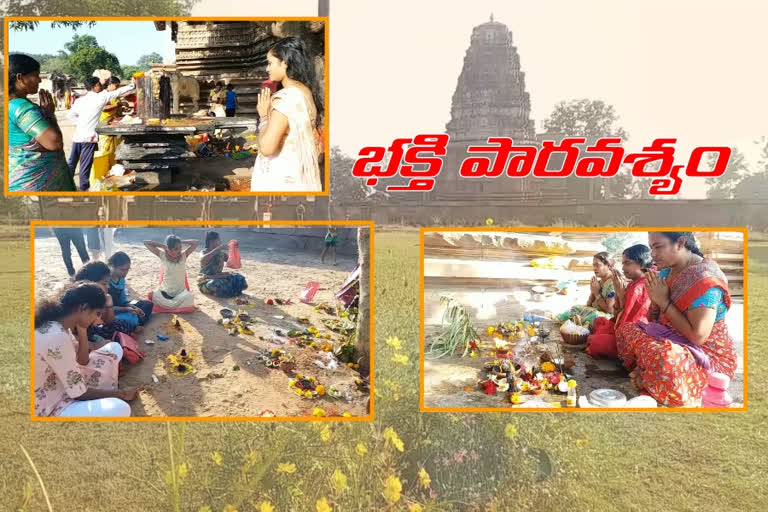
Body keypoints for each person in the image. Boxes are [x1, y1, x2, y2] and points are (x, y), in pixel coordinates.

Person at [616, 232, 737, 407]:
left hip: (704, 355)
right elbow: (653, 321)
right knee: (627, 329)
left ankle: (650, 373)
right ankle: (650, 374)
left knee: (664, 357)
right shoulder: (666, 271)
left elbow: (697, 337)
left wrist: (664, 302)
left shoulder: (705, 279)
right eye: (651, 248)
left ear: (680, 243)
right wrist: (655, 302)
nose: (653, 255)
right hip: (671, 339)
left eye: (658, 247)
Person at [34, 282, 138, 417]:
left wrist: (82, 329)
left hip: (61, 382)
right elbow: (79, 393)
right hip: (48, 402)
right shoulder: (56, 337)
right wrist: (121, 394)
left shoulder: (59, 325)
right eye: (97, 313)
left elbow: (82, 362)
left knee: (114, 348)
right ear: (83, 308)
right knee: (121, 408)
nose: (98, 320)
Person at [251, 37, 323, 192]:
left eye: (270, 63)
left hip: (283, 181)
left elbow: (267, 148)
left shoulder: (286, 99)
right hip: (300, 177)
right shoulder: (306, 92)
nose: (267, 69)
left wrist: (263, 118)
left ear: (284, 63)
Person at [7, 53, 76, 192]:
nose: (39, 80)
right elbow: (54, 142)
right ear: (20, 78)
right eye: (35, 75)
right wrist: (50, 114)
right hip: (36, 185)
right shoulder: (20, 107)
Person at [68, 75, 135, 191]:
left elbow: (70, 115)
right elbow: (119, 91)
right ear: (94, 87)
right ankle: (84, 191)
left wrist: (82, 123)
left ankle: (67, 187)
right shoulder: (101, 97)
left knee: (71, 164)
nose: (101, 86)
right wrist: (132, 84)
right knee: (85, 167)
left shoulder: (79, 100)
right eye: (99, 84)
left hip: (77, 137)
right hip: (89, 138)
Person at [586, 244, 653, 359]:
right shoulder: (632, 283)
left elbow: (626, 323)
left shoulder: (639, 287)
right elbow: (617, 315)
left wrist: (619, 295)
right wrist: (618, 293)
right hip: (619, 326)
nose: (623, 268)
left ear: (641, 263)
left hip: (630, 335)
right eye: (622, 264)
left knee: (595, 341)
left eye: (627, 263)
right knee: (599, 322)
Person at [74, 261, 135, 340]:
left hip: (91, 330)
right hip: (77, 339)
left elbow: (109, 321)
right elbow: (70, 335)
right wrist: (92, 345)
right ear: (90, 283)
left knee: (120, 325)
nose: (108, 287)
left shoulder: (98, 297)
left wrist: (109, 306)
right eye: (104, 284)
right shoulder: (78, 303)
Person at [557, 252, 616, 326]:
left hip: (606, 316)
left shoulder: (612, 283)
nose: (594, 268)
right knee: (575, 308)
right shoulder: (599, 282)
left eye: (597, 265)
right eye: (594, 265)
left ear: (608, 266)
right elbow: (589, 304)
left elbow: (610, 310)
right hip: (593, 311)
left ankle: (580, 323)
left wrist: (597, 293)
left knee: (594, 316)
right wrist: (592, 293)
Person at [145, 235, 198, 311]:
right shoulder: (163, 255)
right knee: (152, 294)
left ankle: (168, 307)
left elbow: (195, 243)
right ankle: (174, 307)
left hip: (181, 294)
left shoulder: (183, 256)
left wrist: (180, 242)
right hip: (165, 293)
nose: (179, 251)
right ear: (169, 249)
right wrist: (163, 246)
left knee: (190, 296)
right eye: (176, 249)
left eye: (180, 248)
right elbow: (146, 243)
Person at [107, 251, 154, 332]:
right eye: (122, 270)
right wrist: (127, 309)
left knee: (148, 304)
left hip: (122, 308)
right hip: (110, 312)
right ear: (113, 266)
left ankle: (132, 325)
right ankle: (133, 325)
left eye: (128, 269)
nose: (126, 273)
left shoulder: (121, 280)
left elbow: (123, 301)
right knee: (126, 318)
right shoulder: (105, 282)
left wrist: (134, 307)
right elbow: (106, 309)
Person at [198, 232, 248, 297]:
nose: (220, 242)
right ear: (212, 241)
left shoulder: (221, 253)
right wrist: (218, 249)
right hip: (206, 280)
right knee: (214, 284)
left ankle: (224, 291)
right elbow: (202, 260)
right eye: (218, 240)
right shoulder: (204, 252)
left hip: (219, 277)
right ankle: (222, 291)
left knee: (239, 278)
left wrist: (234, 250)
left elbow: (234, 265)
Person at [99, 76, 123, 166]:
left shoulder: (115, 95)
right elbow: (104, 108)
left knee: (117, 149)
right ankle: (107, 168)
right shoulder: (104, 95)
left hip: (114, 122)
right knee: (107, 149)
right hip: (105, 123)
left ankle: (116, 167)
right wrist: (117, 105)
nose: (117, 88)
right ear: (110, 84)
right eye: (116, 86)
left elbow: (117, 108)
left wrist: (121, 107)